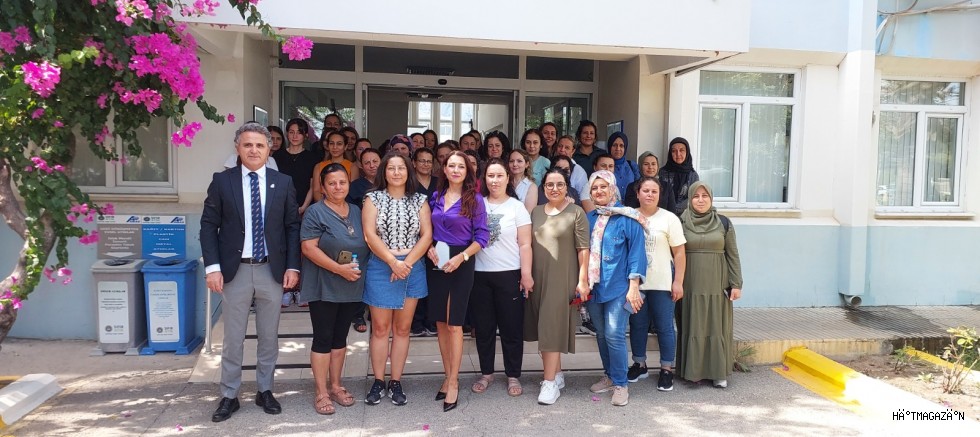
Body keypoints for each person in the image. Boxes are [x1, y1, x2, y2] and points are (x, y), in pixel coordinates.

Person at [201, 122, 301, 422]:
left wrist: (292, 265)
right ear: (238, 148)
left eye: (259, 145)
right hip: (235, 271)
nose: (253, 150)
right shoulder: (222, 181)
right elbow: (208, 226)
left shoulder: (283, 182)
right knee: (233, 338)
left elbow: (292, 227)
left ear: (269, 149)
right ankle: (229, 394)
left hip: (271, 269)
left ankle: (265, 390)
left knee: (269, 336)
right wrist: (213, 267)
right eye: (247, 144)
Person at [361, 153, 432, 406]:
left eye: (401, 168)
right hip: (382, 266)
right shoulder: (372, 198)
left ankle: (396, 381)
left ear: (408, 171)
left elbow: (427, 235)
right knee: (381, 329)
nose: (396, 172)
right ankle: (378, 381)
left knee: (402, 329)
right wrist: (393, 262)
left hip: (412, 266)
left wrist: (406, 263)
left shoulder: (420, 199)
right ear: (384, 171)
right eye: (391, 168)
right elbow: (369, 235)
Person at [299, 163, 370, 415]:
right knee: (323, 338)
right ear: (323, 186)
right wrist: (339, 269)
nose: (338, 187)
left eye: (342, 182)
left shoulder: (356, 210)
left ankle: (336, 386)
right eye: (332, 183)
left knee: (340, 338)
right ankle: (321, 392)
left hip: (351, 284)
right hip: (324, 284)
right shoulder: (315, 212)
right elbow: (308, 248)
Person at [427, 151, 489, 412]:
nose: (455, 170)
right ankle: (446, 374)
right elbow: (427, 230)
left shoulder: (475, 200)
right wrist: (429, 247)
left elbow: (482, 237)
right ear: (444, 169)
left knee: (454, 324)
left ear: (467, 171)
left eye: (460, 166)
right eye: (451, 165)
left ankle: (454, 381)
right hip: (437, 261)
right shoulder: (436, 197)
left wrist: (462, 257)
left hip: (461, 261)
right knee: (441, 323)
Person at [469, 158, 533, 397]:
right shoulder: (477, 204)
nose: (494, 180)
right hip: (479, 275)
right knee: (484, 328)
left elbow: (525, 244)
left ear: (508, 178)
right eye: (490, 176)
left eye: (499, 175)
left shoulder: (517, 207)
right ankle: (486, 373)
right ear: (484, 179)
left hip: (509, 274)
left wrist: (526, 274)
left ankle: (513, 374)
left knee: (511, 328)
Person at [526, 168, 590, 405]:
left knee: (551, 328)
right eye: (550, 185)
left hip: (562, 278)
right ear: (543, 188)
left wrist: (583, 280)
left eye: (560, 184)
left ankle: (550, 382)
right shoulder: (535, 212)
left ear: (567, 187)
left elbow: (583, 249)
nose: (555, 189)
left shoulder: (576, 212)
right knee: (544, 327)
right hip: (537, 278)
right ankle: (558, 373)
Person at [583, 170, 647, 407]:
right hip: (595, 287)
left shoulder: (628, 217)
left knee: (614, 334)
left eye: (604, 187)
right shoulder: (588, 218)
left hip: (619, 286)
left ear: (613, 189)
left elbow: (637, 254)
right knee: (601, 333)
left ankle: (621, 384)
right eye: (594, 188)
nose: (599, 191)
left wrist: (634, 286)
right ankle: (609, 375)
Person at [620, 177, 686, 392]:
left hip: (662, 282)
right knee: (637, 325)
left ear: (660, 195)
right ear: (637, 193)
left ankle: (666, 369)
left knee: (665, 326)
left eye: (654, 191)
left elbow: (679, 253)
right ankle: (639, 364)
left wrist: (678, 282)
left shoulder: (669, 219)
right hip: (636, 283)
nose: (649, 194)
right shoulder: (630, 216)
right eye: (645, 190)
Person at [678, 181, 742, 388]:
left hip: (717, 284)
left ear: (711, 199)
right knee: (693, 324)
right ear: (690, 199)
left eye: (705, 196)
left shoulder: (723, 223)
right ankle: (693, 371)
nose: (700, 200)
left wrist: (736, 283)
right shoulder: (681, 222)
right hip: (690, 283)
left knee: (717, 325)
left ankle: (718, 372)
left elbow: (733, 254)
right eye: (696, 196)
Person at [346, 148, 380, 334]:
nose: (371, 165)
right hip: (361, 235)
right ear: (361, 165)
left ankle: (376, 313)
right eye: (367, 162)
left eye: (375, 161)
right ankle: (357, 314)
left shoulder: (388, 182)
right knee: (360, 273)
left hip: (385, 238)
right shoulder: (355, 186)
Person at [410, 147, 439, 338]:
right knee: (417, 280)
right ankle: (416, 322)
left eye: (429, 161)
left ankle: (432, 320)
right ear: (414, 163)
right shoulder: (409, 184)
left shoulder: (439, 183)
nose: (425, 164)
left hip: (438, 239)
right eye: (422, 160)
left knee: (434, 281)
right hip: (414, 240)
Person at [271, 118, 316, 215]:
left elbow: (313, 186)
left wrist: (304, 207)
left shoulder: (312, 158)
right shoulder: (277, 156)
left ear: (306, 135)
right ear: (287, 134)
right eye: (291, 132)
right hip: (280, 207)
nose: (295, 136)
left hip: (305, 209)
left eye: (299, 133)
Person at [312, 131, 358, 202]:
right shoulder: (318, 166)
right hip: (323, 205)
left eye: (339, 144)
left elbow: (352, 192)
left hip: (344, 205)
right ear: (328, 146)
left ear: (345, 147)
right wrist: (326, 206)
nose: (335, 147)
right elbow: (316, 191)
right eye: (331, 143)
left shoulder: (353, 167)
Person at [659, 137, 699, 216]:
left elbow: (693, 197)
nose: (678, 154)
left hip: (686, 217)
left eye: (681, 150)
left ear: (687, 152)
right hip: (664, 214)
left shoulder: (693, 175)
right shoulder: (663, 172)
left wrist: (676, 209)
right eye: (674, 151)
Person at [553, 135, 591, 211]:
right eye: (560, 146)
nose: (562, 150)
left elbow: (582, 198)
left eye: (567, 148)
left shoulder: (579, 171)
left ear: (573, 151)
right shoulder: (550, 164)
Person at [608, 132, 639, 199]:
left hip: (630, 204)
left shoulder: (632, 165)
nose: (618, 149)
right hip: (611, 204)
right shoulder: (605, 166)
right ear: (609, 146)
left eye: (621, 146)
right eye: (614, 145)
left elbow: (639, 187)